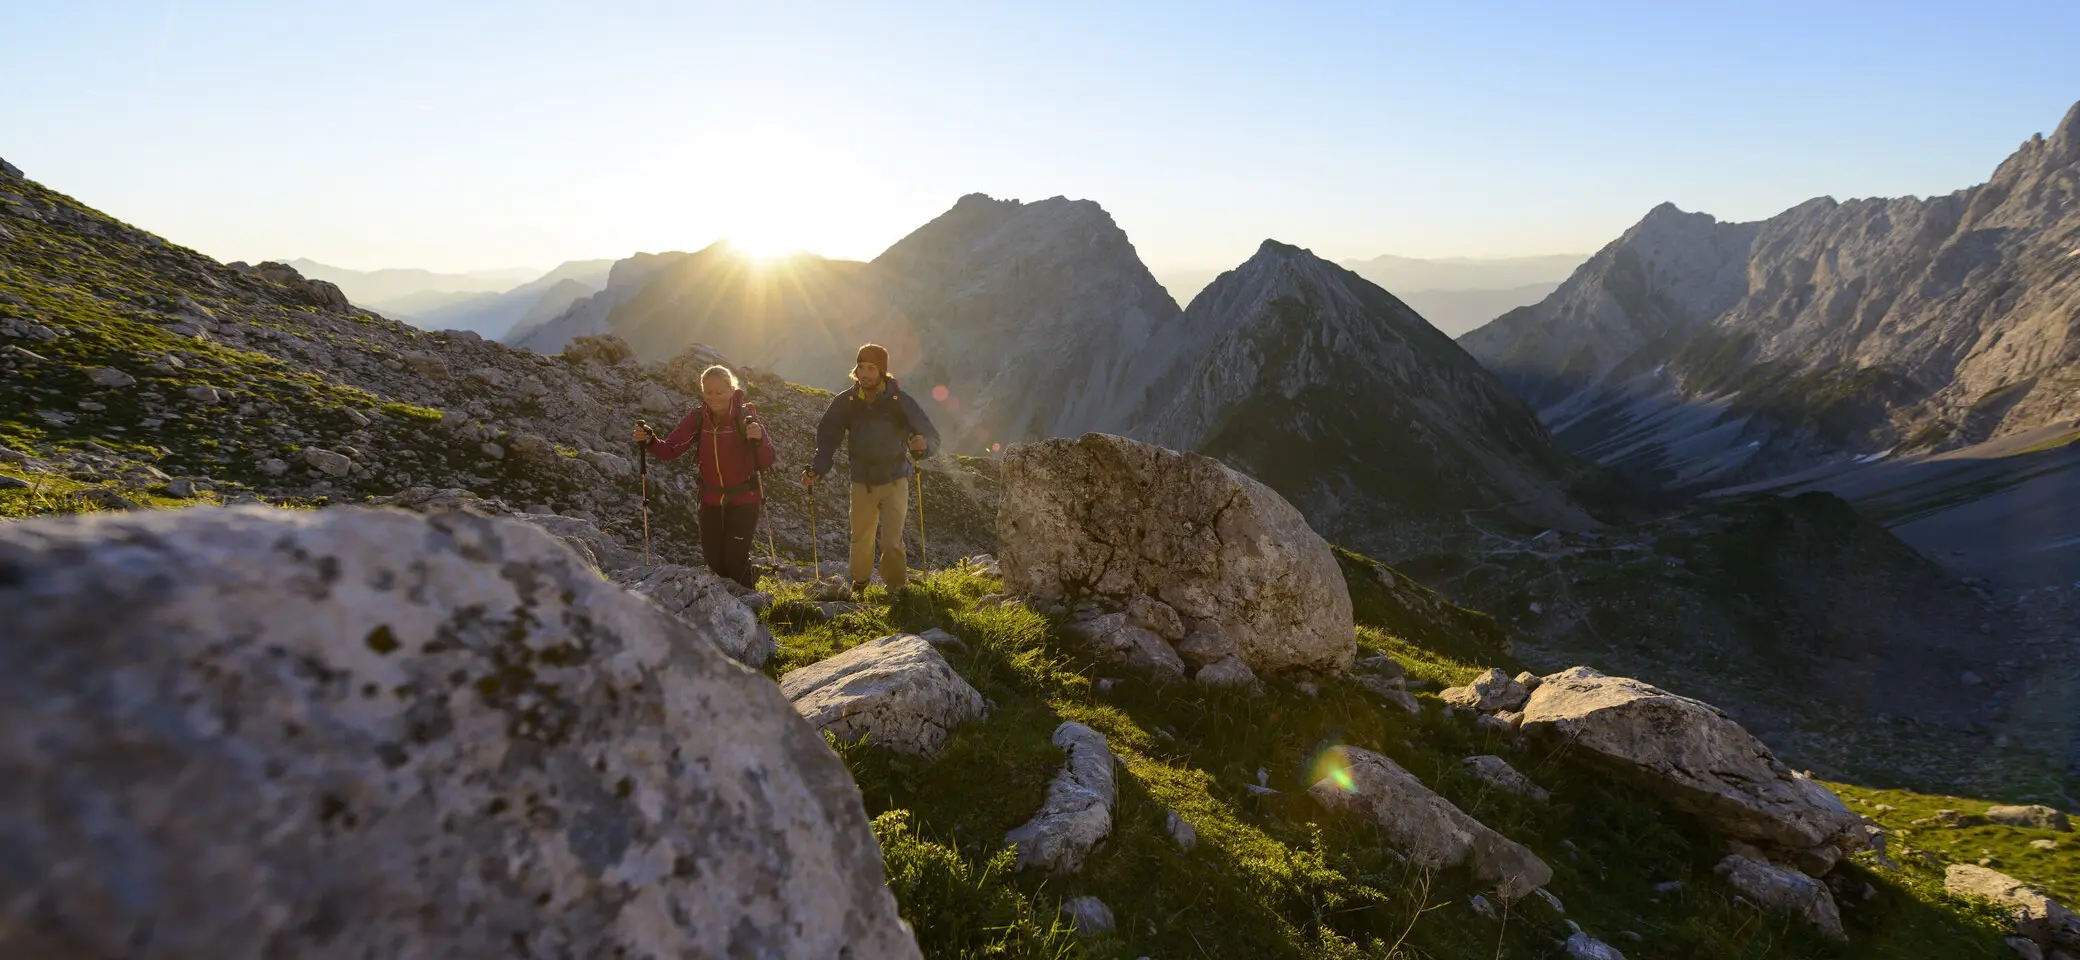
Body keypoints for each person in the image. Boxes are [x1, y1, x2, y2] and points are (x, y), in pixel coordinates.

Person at [802, 343, 939, 595]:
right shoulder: (847, 401)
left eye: (871, 368)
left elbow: (931, 435)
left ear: (882, 372)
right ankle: (860, 584)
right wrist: (818, 468)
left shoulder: (900, 401)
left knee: (892, 542)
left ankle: (896, 590)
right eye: (860, 367)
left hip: (895, 479)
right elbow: (828, 437)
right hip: (862, 481)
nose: (864, 374)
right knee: (861, 538)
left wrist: (924, 446)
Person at [632, 364, 778, 590]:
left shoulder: (746, 417)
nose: (713, 397)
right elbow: (671, 449)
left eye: (719, 392)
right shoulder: (699, 418)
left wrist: (758, 439)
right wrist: (650, 440)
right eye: (708, 392)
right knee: (714, 562)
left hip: (744, 498)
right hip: (710, 499)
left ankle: (750, 601)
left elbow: (767, 458)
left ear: (731, 390)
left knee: (735, 561)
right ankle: (731, 597)